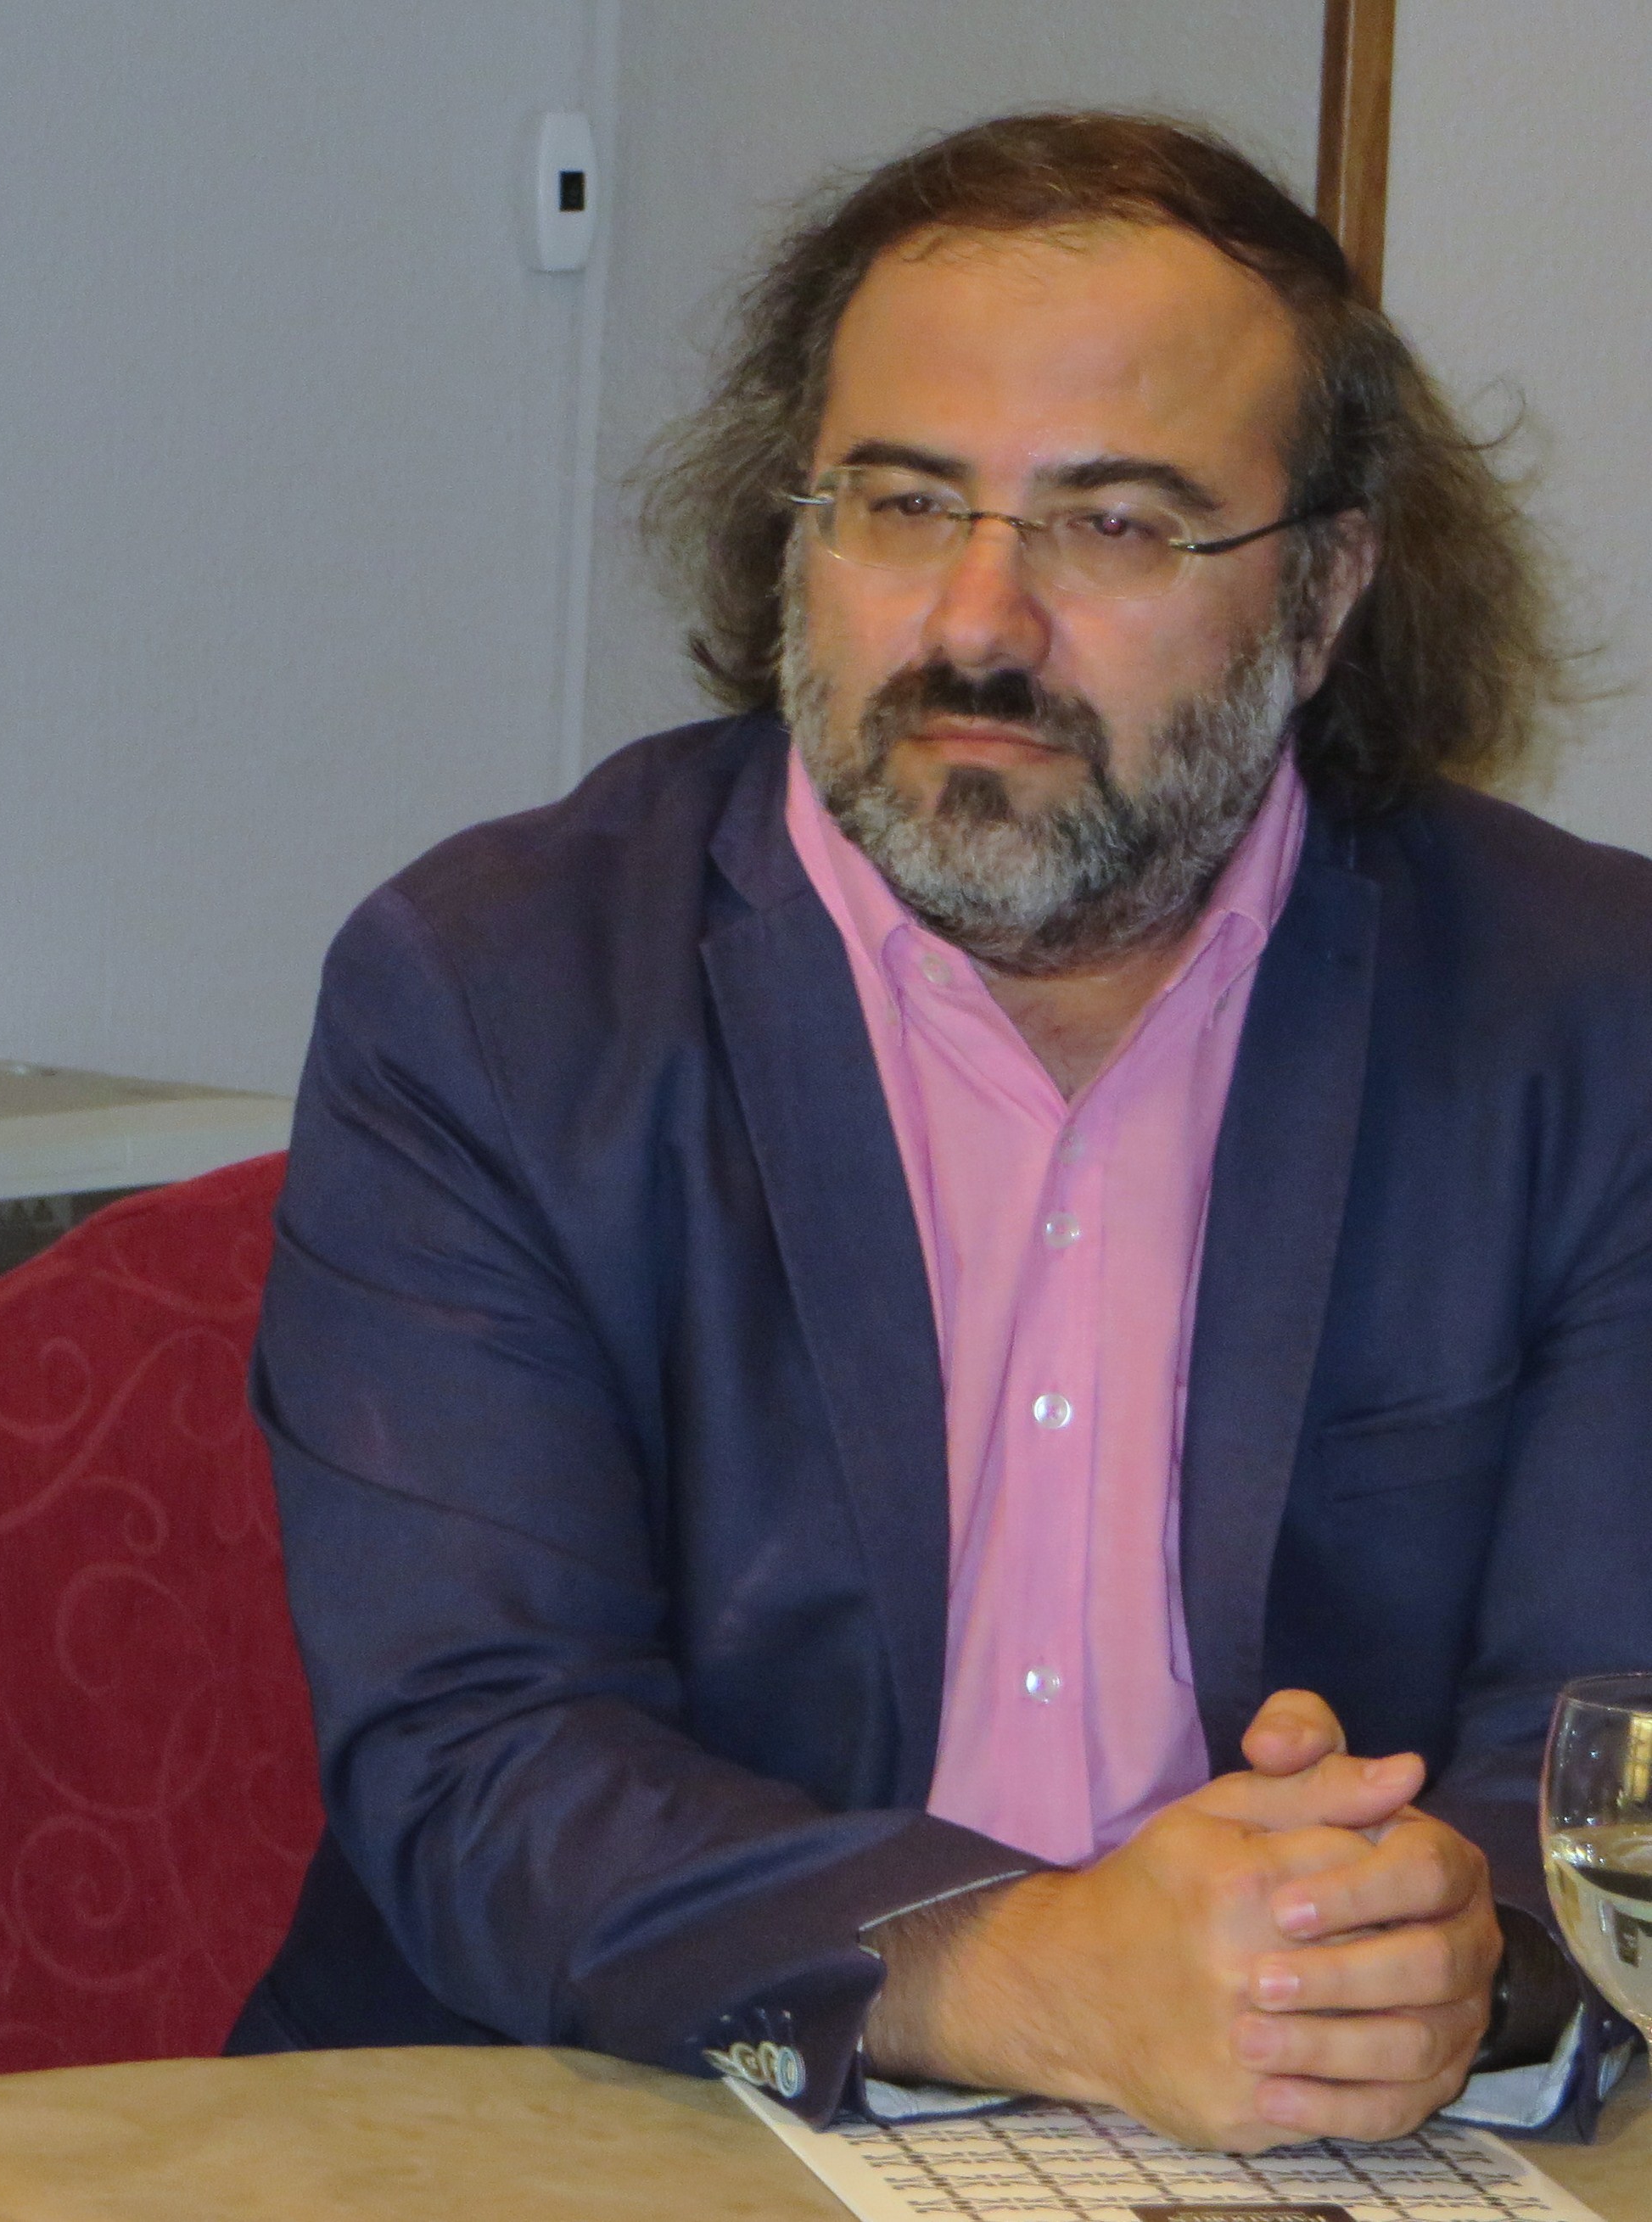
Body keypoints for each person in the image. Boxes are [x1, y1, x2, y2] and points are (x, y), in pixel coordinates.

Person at [229, 114, 1644, 2152]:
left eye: (1112, 523)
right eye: (900, 504)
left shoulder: (1584, 1015)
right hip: (618, 2117)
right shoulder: (496, 994)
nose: (978, 622)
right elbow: (481, 1756)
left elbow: (1613, 1738)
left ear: (1325, 588)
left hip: (1330, 2147)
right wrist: (1018, 1961)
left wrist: (1433, 1952)